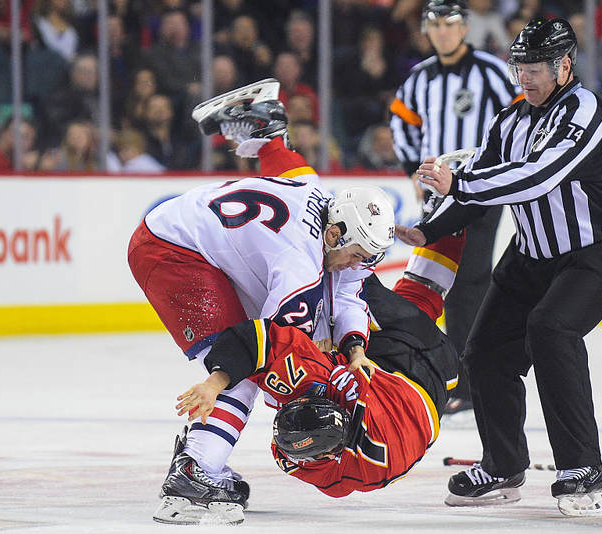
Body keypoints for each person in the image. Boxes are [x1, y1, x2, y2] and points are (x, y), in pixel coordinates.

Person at [396, 18, 602, 516]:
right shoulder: (508, 121)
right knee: (484, 351)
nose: (523, 79)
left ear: (564, 66)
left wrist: (458, 186)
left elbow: (539, 175)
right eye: (518, 69)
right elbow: (481, 182)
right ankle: (503, 466)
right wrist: (431, 229)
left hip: (598, 251)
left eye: (533, 70)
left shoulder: (587, 111)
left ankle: (582, 470)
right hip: (532, 255)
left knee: (550, 330)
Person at [128, 80, 396, 524]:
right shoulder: (299, 267)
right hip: (169, 252)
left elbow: (283, 158)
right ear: (334, 235)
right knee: (253, 371)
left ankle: (264, 117)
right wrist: (217, 382)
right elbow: (261, 344)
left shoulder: (318, 193)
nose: (358, 265)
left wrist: (354, 347)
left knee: (264, 349)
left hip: (190, 239)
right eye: (356, 254)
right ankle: (197, 469)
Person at [173, 218, 467, 507]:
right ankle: (451, 219)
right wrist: (334, 350)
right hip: (412, 377)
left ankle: (452, 225)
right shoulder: (301, 440)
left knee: (418, 302)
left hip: (442, 383)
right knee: (355, 281)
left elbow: (266, 345)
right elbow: (262, 340)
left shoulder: (312, 467)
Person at [390, 0, 518, 415]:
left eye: (451, 24)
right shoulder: (419, 78)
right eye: (435, 24)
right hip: (437, 195)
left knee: (471, 280)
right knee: (433, 280)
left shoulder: (493, 71)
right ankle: (445, 373)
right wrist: (413, 169)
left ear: (465, 28)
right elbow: (401, 123)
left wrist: (502, 170)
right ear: (427, 30)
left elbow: (521, 120)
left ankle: (469, 376)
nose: (443, 32)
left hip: (481, 190)